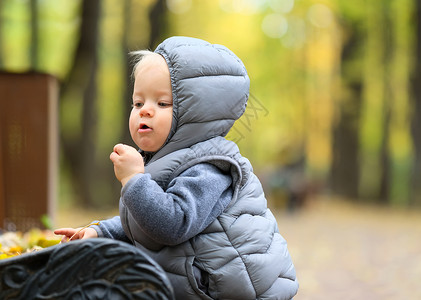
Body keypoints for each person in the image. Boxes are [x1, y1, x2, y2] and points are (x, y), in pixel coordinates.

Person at [55, 36, 299, 300]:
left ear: (196, 117)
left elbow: (172, 223)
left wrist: (135, 180)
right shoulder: (162, 160)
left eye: (162, 103)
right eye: (138, 103)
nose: (145, 111)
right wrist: (100, 231)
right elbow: (145, 222)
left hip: (228, 290)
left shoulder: (209, 167)